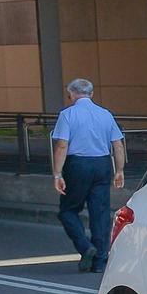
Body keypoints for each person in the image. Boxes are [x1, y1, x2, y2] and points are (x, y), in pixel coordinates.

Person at [50, 78, 125, 273]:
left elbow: (62, 145)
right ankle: (100, 261)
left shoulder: (67, 115)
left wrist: (57, 173)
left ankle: (85, 247)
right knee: (100, 213)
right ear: (91, 94)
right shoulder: (106, 114)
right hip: (102, 164)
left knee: (68, 210)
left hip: (78, 165)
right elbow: (117, 144)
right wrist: (119, 170)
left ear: (71, 94)